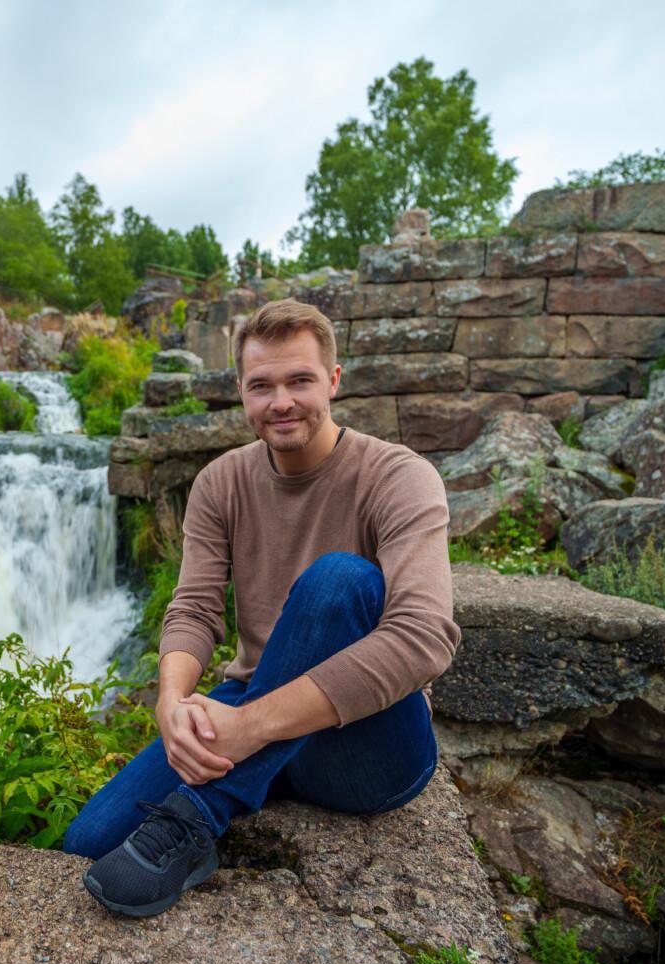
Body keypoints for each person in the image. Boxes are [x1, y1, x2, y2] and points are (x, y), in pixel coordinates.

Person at [65, 298, 461, 918]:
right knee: (89, 841)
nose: (281, 402)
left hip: (368, 744)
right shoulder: (220, 482)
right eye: (261, 385)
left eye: (299, 380)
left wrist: (247, 728)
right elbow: (194, 609)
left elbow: (423, 637)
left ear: (333, 380)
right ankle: (244, 779)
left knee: (337, 581)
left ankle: (200, 817)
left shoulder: (398, 476)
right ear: (242, 394)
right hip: (256, 699)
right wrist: (170, 705)